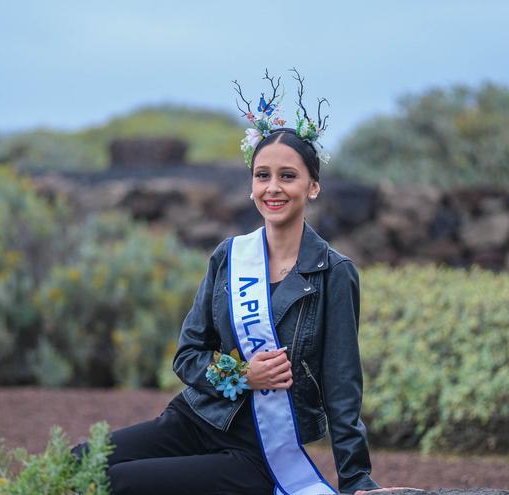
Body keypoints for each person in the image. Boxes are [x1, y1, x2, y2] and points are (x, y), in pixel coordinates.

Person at [75, 71, 384, 495]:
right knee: (77, 462)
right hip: (195, 419)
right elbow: (188, 356)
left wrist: (354, 479)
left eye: (288, 176)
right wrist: (243, 375)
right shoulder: (230, 256)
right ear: (251, 185)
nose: (272, 188)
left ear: (313, 186)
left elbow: (342, 386)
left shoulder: (334, 273)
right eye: (262, 175)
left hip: (258, 452)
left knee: (120, 482)